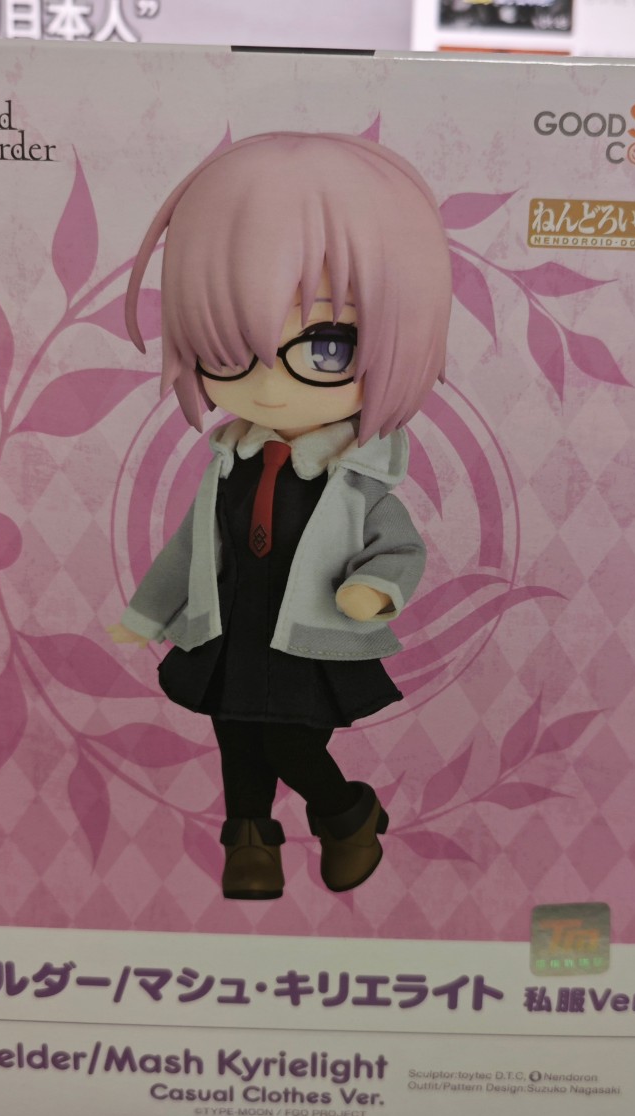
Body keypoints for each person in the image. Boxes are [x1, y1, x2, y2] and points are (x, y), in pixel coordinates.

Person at [108, 132, 452, 900]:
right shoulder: (231, 461)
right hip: (233, 631)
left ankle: (345, 811)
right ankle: (250, 840)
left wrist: (374, 589)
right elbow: (194, 547)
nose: (266, 385)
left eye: (325, 346)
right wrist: (148, 612)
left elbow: (398, 548)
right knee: (235, 736)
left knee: (288, 740)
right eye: (229, 352)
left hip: (307, 641)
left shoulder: (356, 480)